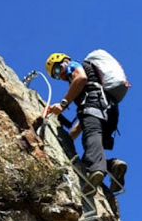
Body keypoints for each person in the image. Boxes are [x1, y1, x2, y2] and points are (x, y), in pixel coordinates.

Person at [45, 52, 127, 192]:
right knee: (89, 153)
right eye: (56, 76)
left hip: (94, 106)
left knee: (90, 139)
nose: (60, 76)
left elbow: (81, 77)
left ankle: (96, 171)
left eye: (58, 70)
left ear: (65, 61)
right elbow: (85, 123)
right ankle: (112, 165)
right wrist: (68, 139)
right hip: (109, 111)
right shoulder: (93, 87)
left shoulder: (74, 65)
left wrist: (63, 104)